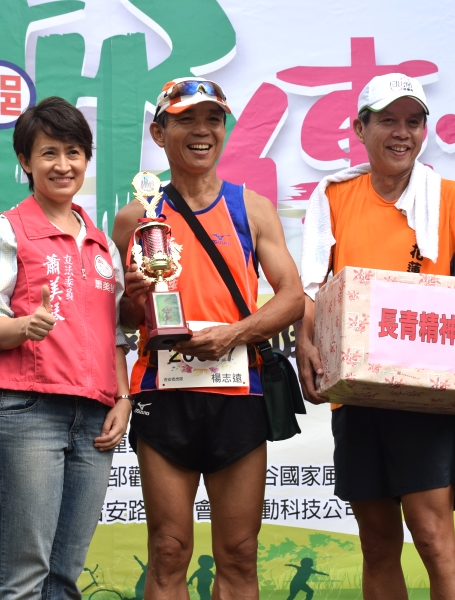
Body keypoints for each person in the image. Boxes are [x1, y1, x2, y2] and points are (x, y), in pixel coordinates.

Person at [296, 73, 455, 600]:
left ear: (425, 131)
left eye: (414, 122)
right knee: (377, 544)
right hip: (355, 395)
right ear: (360, 128)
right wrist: (306, 341)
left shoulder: (448, 197)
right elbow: (313, 286)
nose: (402, 133)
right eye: (388, 121)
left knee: (433, 536)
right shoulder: (333, 196)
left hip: (428, 396)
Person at [112, 77, 303, 598]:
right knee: (168, 550)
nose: (202, 131)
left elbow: (291, 297)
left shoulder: (252, 207)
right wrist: (132, 298)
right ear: (159, 131)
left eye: (213, 120)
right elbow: (128, 321)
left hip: (238, 391)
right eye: (186, 120)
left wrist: (232, 335)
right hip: (163, 392)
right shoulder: (136, 217)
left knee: (239, 554)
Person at [0, 96, 131, 597]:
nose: (62, 165)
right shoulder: (4, 228)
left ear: (87, 158)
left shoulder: (103, 242)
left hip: (95, 417)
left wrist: (122, 399)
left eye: (73, 152)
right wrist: (24, 327)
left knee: (65, 575)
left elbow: (115, 335)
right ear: (25, 161)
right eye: (48, 153)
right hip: (27, 410)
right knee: (25, 573)